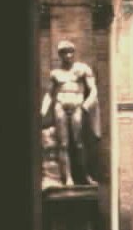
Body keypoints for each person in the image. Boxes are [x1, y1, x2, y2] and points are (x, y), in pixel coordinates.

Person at [41, 39, 100, 186]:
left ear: (73, 53)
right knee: (63, 144)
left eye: (70, 52)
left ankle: (85, 175)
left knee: (79, 143)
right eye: (64, 53)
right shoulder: (55, 73)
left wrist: (87, 104)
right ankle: (67, 177)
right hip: (60, 106)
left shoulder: (82, 69)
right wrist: (43, 109)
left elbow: (93, 89)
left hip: (77, 106)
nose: (68, 55)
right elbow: (49, 94)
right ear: (60, 55)